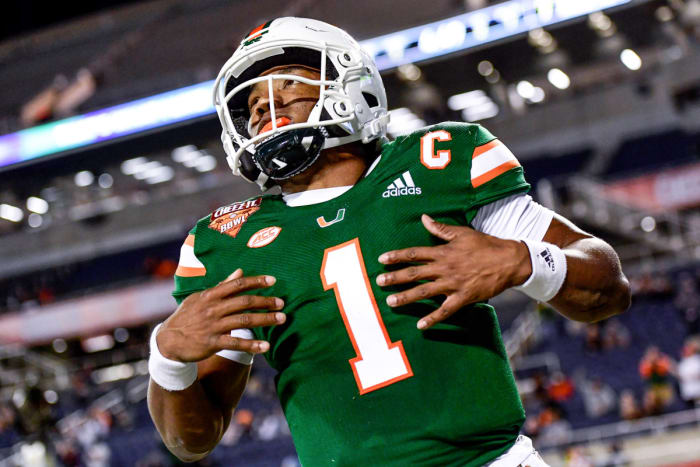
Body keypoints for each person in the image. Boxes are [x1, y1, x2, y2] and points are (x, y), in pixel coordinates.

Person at [147, 18, 631, 466]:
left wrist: (524, 260)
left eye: (286, 83)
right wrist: (167, 358)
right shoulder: (225, 242)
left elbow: (609, 286)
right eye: (252, 102)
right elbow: (191, 441)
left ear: (347, 82)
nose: (262, 107)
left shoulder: (438, 161)